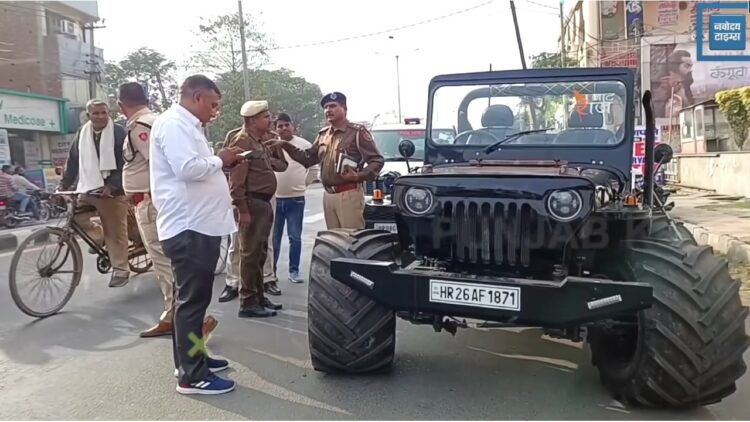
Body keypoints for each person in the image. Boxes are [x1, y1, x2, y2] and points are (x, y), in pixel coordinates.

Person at [150, 74, 242, 395]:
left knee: (190, 303)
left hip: (198, 225)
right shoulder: (174, 124)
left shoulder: (188, 126)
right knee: (192, 304)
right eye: (213, 105)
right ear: (198, 97)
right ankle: (192, 376)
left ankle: (192, 358)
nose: (215, 112)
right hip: (190, 228)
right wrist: (221, 159)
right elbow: (187, 168)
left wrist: (218, 163)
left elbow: (197, 168)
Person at [118, 82, 218, 339]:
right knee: (175, 271)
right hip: (165, 206)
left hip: (155, 204)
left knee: (167, 267)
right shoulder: (165, 122)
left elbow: (166, 167)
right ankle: (181, 324)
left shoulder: (146, 126)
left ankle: (186, 323)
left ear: (120, 106)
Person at [270, 92, 383, 229]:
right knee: (334, 242)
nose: (328, 110)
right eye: (326, 107)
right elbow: (307, 159)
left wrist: (359, 175)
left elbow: (376, 160)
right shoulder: (323, 135)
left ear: (344, 109)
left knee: (351, 240)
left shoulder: (357, 132)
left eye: (333, 106)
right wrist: (284, 145)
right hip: (328, 195)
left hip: (348, 194)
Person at [226, 100, 287, 318]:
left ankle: (259, 296)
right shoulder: (242, 141)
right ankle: (248, 301)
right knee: (249, 254)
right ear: (253, 121)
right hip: (251, 203)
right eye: (265, 117)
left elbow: (280, 165)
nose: (270, 120)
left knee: (259, 253)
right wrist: (242, 209)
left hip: (262, 203)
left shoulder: (259, 141)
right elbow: (237, 180)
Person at [60, 99, 130, 287]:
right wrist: (63, 185)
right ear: (88, 115)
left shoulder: (118, 132)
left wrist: (112, 185)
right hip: (88, 187)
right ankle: (99, 238)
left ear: (109, 114)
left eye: (103, 113)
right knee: (74, 218)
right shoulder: (82, 132)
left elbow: (126, 161)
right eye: (96, 113)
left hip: (112, 191)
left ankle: (121, 269)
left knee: (115, 230)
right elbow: (73, 161)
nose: (100, 116)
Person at [272, 113, 318, 284]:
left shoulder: (304, 145)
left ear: (293, 126)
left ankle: (294, 271)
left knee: (295, 237)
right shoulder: (271, 145)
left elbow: (313, 169)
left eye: (286, 125)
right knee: (274, 239)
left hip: (296, 199)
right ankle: (271, 273)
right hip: (275, 200)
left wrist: (302, 185)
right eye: (280, 126)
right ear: (275, 128)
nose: (284, 128)